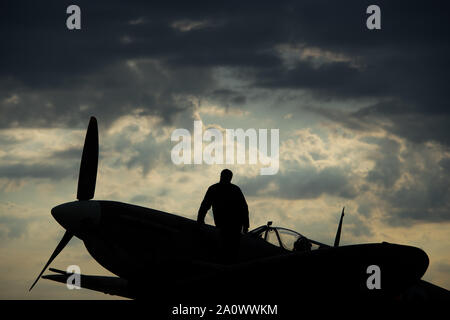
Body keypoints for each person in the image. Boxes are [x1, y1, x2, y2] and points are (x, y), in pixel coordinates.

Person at [197, 169, 249, 263]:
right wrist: (200, 220)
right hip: (228, 226)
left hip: (232, 226)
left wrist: (200, 220)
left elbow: (244, 208)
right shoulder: (233, 189)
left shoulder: (215, 189)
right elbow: (244, 208)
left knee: (228, 251)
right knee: (229, 251)